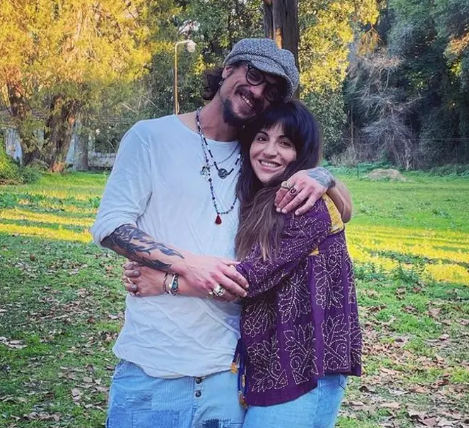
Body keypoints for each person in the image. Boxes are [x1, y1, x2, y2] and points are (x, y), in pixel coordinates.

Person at [92, 38, 352, 428]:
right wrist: (186, 265)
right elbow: (111, 226)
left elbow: (339, 211)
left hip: (229, 379)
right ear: (228, 69)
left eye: (271, 91)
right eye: (254, 75)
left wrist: (323, 176)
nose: (258, 92)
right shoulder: (151, 137)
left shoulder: (257, 158)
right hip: (153, 370)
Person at [233, 100, 362, 427]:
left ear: (302, 152)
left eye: (285, 143)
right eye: (262, 138)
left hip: (305, 369)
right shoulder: (263, 198)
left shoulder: (303, 202)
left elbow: (250, 278)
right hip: (279, 366)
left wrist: (166, 279)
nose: (269, 151)